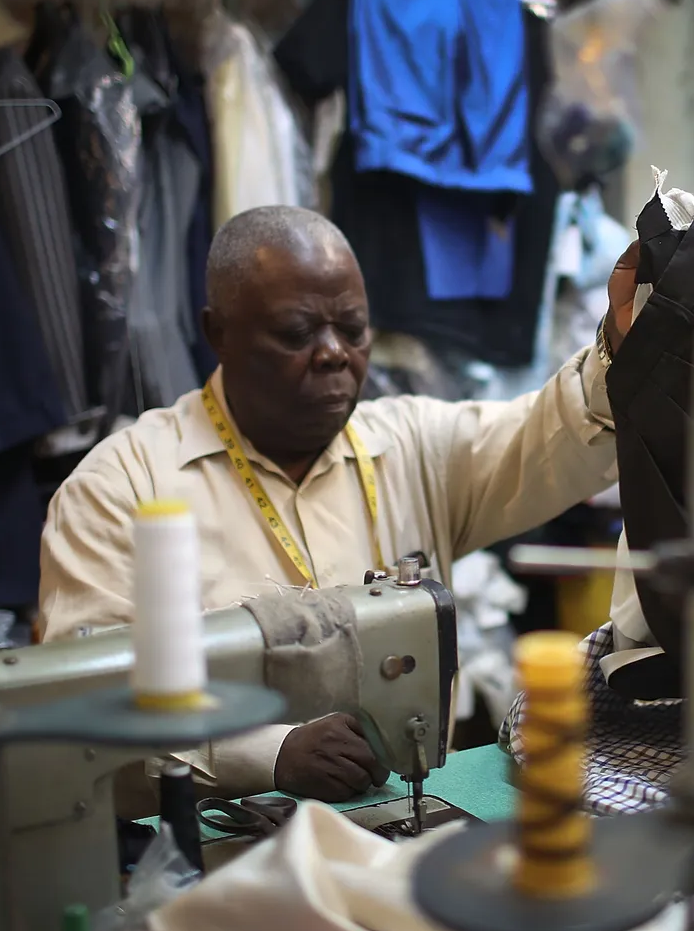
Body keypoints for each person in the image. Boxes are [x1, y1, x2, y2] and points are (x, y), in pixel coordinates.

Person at [37, 204, 634, 801]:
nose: (334, 354)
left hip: (393, 823)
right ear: (217, 332)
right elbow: (86, 706)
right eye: (298, 333)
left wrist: (624, 345)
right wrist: (266, 753)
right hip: (212, 852)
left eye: (353, 330)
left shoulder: (413, 446)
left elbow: (551, 430)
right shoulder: (120, 490)